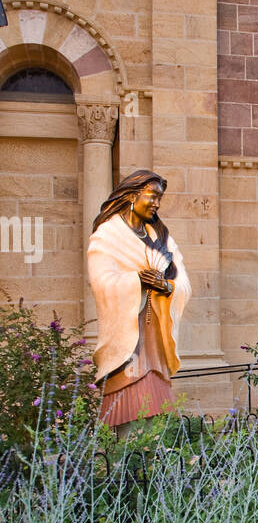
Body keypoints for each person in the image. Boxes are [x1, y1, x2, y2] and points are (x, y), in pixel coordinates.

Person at [87, 169, 191, 431]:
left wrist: (166, 285)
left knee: (158, 402)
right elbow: (101, 281)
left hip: (155, 333)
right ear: (133, 195)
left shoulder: (161, 238)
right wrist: (137, 281)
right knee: (131, 403)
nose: (157, 203)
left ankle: (154, 454)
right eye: (152, 196)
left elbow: (184, 282)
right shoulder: (107, 235)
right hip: (128, 340)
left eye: (160, 198)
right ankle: (128, 457)